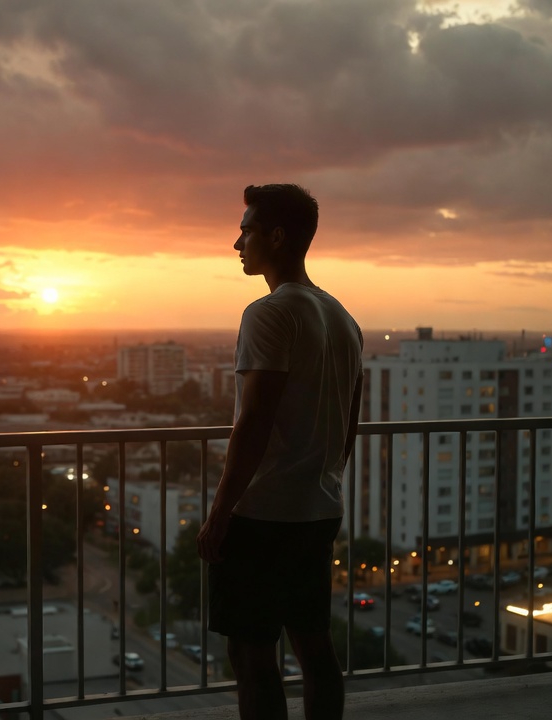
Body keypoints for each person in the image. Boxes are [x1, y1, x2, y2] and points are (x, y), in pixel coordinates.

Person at [197, 184, 364, 720]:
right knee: (314, 647)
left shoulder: (268, 313)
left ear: (275, 235)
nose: (236, 242)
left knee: (251, 654)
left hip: (264, 513)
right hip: (318, 508)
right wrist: (325, 481)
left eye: (245, 229)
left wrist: (221, 513)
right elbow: (348, 426)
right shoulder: (343, 318)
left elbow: (254, 423)